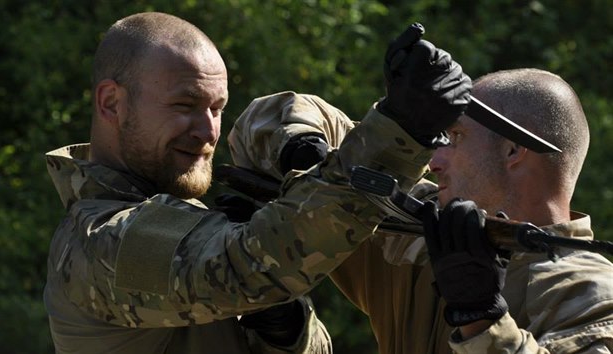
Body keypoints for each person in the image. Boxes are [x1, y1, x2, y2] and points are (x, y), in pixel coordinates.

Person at [43, 13, 471, 354]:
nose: (207, 130)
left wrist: (284, 328)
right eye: (185, 105)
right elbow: (248, 267)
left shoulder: (181, 217)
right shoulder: (98, 238)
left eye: (216, 108)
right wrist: (399, 132)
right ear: (111, 103)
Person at [226, 30, 613, 354]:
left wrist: (482, 319)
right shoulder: (419, 225)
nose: (434, 160)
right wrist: (318, 159)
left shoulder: (591, 293)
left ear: (514, 151)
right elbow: (269, 115)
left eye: (456, 138)